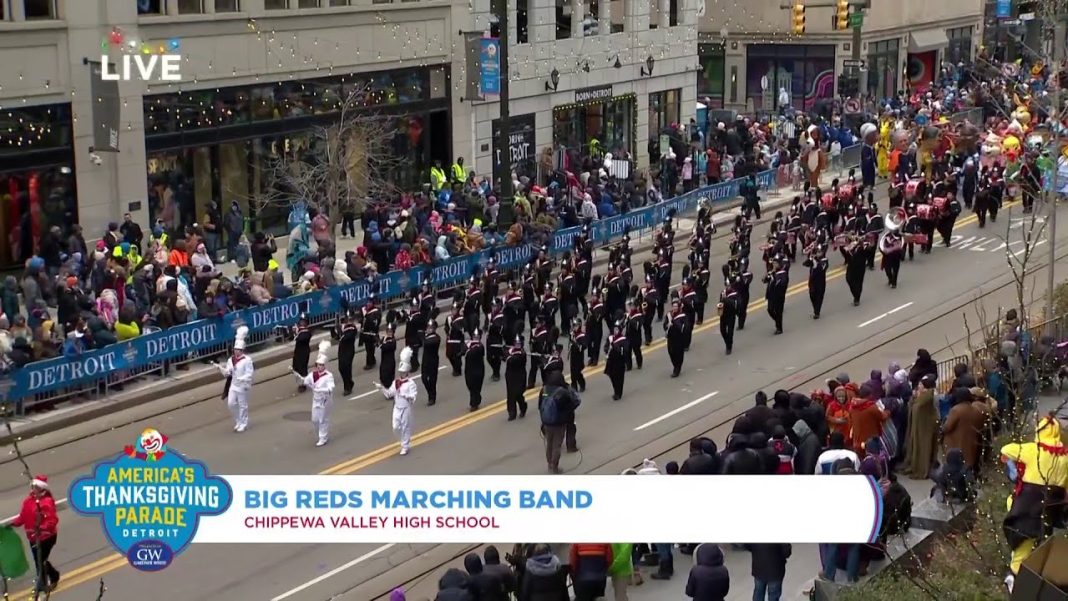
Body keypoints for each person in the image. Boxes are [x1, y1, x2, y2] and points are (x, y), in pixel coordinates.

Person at [1000, 413, 1068, 591]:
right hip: (1052, 508)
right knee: (1041, 541)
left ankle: (1016, 578)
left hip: (1028, 505)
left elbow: (1006, 449)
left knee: (1023, 540)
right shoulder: (1065, 457)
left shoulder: (1032, 450)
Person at [11, 476, 60, 593]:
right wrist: (13, 524)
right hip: (33, 537)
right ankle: (53, 576)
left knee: (40, 561)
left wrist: (42, 528)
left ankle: (43, 584)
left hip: (46, 537)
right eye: (32, 486)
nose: (33, 489)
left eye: (35, 487)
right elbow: (23, 516)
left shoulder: (47, 502)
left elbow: (52, 520)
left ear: (41, 488)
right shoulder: (28, 501)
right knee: (40, 561)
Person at [375, 348, 417, 456]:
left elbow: (413, 397)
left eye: (403, 372)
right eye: (400, 372)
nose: (401, 374)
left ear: (407, 372)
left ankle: (405, 446)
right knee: (395, 427)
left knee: (405, 426)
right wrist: (381, 388)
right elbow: (389, 394)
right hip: (396, 408)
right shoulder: (396, 382)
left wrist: (405, 395)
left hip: (405, 408)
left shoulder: (411, 384)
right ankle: (402, 441)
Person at [539, 370, 580, 473]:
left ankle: (549, 463)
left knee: (549, 443)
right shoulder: (563, 392)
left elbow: (540, 405)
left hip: (547, 422)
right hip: (559, 423)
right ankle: (555, 466)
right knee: (557, 444)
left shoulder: (544, 389)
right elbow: (574, 402)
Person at [294, 342, 335, 447]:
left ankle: (323, 437)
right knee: (315, 420)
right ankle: (321, 435)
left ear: (325, 365)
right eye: (318, 364)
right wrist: (299, 377)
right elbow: (305, 381)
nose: (319, 366)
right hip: (316, 400)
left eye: (321, 365)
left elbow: (331, 387)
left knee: (322, 420)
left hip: (325, 400)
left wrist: (322, 389)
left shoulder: (328, 376)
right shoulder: (313, 374)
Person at [216, 326, 253, 432]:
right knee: (231, 404)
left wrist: (242, 378)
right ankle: (238, 421)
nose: (237, 351)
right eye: (236, 349)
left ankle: (244, 423)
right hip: (233, 385)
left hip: (243, 385)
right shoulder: (230, 360)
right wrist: (220, 369)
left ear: (242, 350)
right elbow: (228, 373)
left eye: (239, 350)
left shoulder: (247, 360)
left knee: (243, 405)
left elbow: (250, 373)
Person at [901, 373, 938, 479]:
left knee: (923, 448)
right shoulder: (922, 396)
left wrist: (914, 399)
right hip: (919, 427)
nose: (919, 386)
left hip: (925, 428)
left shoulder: (927, 397)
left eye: (921, 385)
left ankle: (922, 469)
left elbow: (916, 408)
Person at [332, 314, 358, 396]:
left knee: (346, 367)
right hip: (342, 350)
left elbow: (347, 337)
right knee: (341, 368)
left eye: (349, 319)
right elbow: (337, 337)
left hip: (349, 350)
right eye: (347, 319)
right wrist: (335, 330)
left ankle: (347, 387)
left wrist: (341, 332)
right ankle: (349, 382)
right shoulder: (343, 328)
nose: (348, 321)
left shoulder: (352, 328)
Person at [505, 336, 529, 420]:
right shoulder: (510, 351)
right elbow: (506, 359)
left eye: (518, 343)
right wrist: (505, 352)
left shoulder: (522, 353)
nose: (517, 345)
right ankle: (512, 413)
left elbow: (514, 360)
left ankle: (523, 407)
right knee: (511, 395)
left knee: (518, 394)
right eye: (516, 343)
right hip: (510, 374)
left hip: (520, 375)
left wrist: (511, 355)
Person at [764, 258, 788, 334]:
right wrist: (769, 275)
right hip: (771, 295)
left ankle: (779, 328)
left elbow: (782, 283)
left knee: (778, 312)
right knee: (770, 309)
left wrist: (774, 276)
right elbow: (764, 281)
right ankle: (777, 321)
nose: (774, 265)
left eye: (776, 263)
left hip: (779, 295)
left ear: (779, 264)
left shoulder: (782, 273)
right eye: (773, 263)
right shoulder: (771, 272)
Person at [604, 321, 628, 398]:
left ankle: (618, 393)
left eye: (617, 329)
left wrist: (613, 345)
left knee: (619, 378)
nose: (615, 331)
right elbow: (606, 347)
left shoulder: (623, 339)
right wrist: (607, 349)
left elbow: (622, 351)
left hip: (619, 361)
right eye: (614, 329)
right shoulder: (610, 338)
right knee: (612, 376)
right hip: (611, 361)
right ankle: (615, 390)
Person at [464, 330, 486, 411]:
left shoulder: (480, 346)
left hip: (478, 368)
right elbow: (462, 350)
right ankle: (477, 397)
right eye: (474, 336)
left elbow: (473, 352)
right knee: (469, 384)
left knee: (475, 386)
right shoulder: (468, 344)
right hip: (469, 368)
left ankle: (474, 404)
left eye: (477, 337)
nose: (475, 338)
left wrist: (468, 348)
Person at [664, 299, 687, 376]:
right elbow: (665, 325)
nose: (674, 308)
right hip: (670, 337)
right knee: (671, 352)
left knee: (679, 353)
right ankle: (675, 366)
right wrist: (667, 325)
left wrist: (674, 322)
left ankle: (677, 368)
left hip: (679, 337)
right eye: (673, 306)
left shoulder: (682, 315)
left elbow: (683, 327)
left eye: (676, 306)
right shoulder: (669, 315)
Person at [421, 320, 441, 406]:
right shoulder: (426, 336)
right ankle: (430, 393)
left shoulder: (436, 338)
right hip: (425, 360)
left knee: (432, 380)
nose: (428, 329)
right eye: (428, 327)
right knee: (424, 378)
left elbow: (428, 343)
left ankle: (432, 397)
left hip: (433, 361)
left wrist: (422, 337)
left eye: (431, 328)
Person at [806, 246, 828, 319]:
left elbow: (821, 269)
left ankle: (817, 312)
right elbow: (805, 264)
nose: (818, 254)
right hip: (812, 281)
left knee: (819, 297)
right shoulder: (814, 259)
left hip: (820, 282)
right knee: (812, 295)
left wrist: (816, 263)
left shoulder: (824, 260)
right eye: (817, 252)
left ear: (822, 253)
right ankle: (816, 309)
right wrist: (810, 258)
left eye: (819, 252)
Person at [718, 279, 739, 355]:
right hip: (723, 314)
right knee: (722, 330)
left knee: (730, 332)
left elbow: (734, 304)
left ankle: (729, 347)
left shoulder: (734, 293)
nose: (727, 287)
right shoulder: (723, 293)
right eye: (726, 285)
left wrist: (725, 299)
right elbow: (720, 302)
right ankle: (727, 342)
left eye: (729, 285)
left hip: (731, 315)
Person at [360, 294, 382, 369]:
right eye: (368, 302)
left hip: (371, 333)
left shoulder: (376, 312)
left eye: (370, 302)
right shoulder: (365, 310)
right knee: (368, 348)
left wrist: (367, 317)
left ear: (373, 303)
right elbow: (362, 320)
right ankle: (372, 360)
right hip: (365, 333)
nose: (368, 304)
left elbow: (375, 323)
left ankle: (370, 363)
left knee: (370, 349)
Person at [291, 317, 312, 392]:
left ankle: (303, 384)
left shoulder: (307, 333)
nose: (301, 324)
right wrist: (293, 332)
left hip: (304, 352)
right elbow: (292, 338)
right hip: (298, 352)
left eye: (303, 322)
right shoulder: (299, 332)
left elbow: (300, 339)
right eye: (300, 323)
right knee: (296, 367)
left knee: (303, 368)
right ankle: (300, 383)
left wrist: (296, 333)